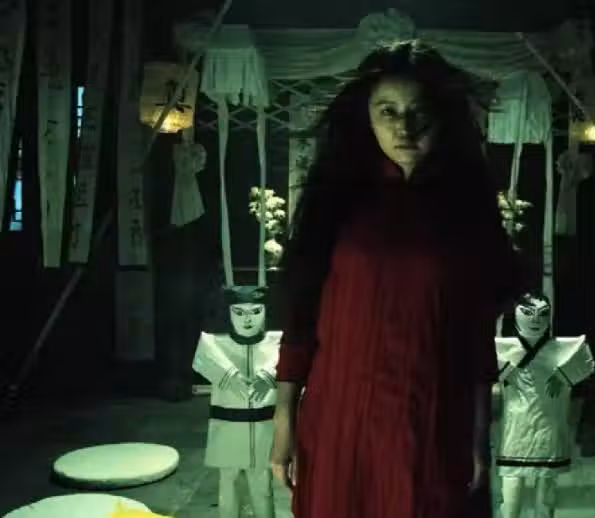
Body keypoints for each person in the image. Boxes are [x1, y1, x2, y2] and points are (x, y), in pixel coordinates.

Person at [269, 40, 524, 518]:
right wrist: (284, 421)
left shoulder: (467, 212)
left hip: (429, 419)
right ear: (365, 117)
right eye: (387, 111)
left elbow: (476, 338)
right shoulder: (335, 201)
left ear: (443, 117)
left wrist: (479, 437)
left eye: (418, 111)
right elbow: (301, 320)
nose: (403, 127)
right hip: (340, 420)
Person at [494, 292, 595, 518]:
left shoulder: (560, 348)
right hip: (516, 430)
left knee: (546, 495)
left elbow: (586, 359)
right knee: (511, 497)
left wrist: (564, 375)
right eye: (528, 313)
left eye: (542, 314)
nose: (535, 320)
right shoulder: (505, 348)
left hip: (548, 428)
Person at [192, 286, 281, 518]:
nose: (247, 319)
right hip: (227, 424)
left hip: (262, 426)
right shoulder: (216, 342)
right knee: (228, 480)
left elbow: (287, 355)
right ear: (229, 313)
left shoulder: (275, 341)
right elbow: (204, 355)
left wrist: (269, 374)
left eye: (255, 311)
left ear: (265, 312)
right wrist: (229, 375)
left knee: (261, 482)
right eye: (239, 312)